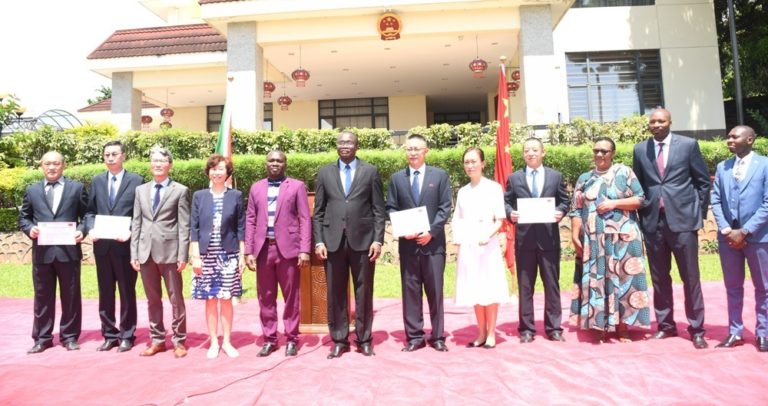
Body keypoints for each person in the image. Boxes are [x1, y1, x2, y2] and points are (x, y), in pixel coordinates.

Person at [632, 108, 710, 349]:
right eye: (652, 121)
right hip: (653, 223)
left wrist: (697, 214)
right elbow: (639, 186)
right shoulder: (640, 149)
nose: (656, 125)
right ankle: (666, 325)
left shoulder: (688, 145)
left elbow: (703, 183)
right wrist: (642, 216)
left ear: (670, 122)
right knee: (659, 278)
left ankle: (696, 328)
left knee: (690, 277)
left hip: (683, 223)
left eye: (661, 121)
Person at [313, 131, 386, 359]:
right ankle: (339, 339)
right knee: (335, 293)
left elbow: (378, 210)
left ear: (357, 146)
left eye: (349, 142)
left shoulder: (370, 171)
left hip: (363, 242)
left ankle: (364, 339)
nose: (345, 145)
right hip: (333, 242)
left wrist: (377, 239)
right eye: (341, 142)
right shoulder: (325, 172)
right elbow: (319, 211)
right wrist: (319, 240)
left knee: (364, 291)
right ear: (337, 146)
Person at [569, 137, 651, 342]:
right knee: (598, 281)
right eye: (596, 150)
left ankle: (623, 326)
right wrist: (574, 234)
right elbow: (576, 210)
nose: (599, 154)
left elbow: (640, 199)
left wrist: (614, 204)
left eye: (604, 151)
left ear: (612, 153)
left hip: (624, 239)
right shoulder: (585, 178)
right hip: (594, 240)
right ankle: (600, 325)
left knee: (623, 280)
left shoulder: (624, 172)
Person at [386, 135, 452, 352]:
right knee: (411, 291)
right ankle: (414, 337)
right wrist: (402, 230)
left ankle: (437, 336)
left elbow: (445, 207)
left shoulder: (440, 176)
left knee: (435, 292)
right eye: (409, 149)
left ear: (426, 151)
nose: (413, 153)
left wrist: (431, 232)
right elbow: (391, 208)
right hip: (408, 246)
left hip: (433, 246)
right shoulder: (397, 178)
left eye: (417, 149)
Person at [19, 151, 89, 354]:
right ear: (41, 165)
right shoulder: (32, 190)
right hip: (42, 254)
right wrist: (29, 228)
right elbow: (25, 217)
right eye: (48, 164)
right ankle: (42, 338)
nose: (52, 167)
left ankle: (69, 337)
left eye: (56, 163)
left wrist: (81, 230)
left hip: (68, 252)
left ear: (63, 165)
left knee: (71, 296)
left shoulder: (76, 189)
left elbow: (86, 216)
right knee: (42, 297)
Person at [245, 150, 311, 357]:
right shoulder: (256, 188)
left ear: (285, 164)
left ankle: (292, 338)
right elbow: (250, 220)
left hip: (289, 250)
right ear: (266, 163)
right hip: (264, 249)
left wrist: (304, 249)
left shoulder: (297, 186)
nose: (275, 163)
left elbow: (304, 219)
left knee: (291, 297)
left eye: (279, 161)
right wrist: (248, 250)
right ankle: (270, 339)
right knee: (265, 297)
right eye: (271, 160)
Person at [504, 138, 569, 343]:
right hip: (524, 241)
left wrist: (560, 212)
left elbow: (564, 201)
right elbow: (506, 202)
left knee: (552, 285)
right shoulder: (514, 178)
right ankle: (526, 329)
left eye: (534, 149)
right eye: (526, 150)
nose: (531, 153)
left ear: (543, 152)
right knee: (525, 286)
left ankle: (554, 328)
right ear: (523, 154)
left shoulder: (555, 176)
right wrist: (510, 213)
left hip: (549, 240)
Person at [710, 125, 768, 352]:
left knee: (763, 287)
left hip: (759, 237)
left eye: (735, 136)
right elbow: (715, 201)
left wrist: (745, 231)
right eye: (729, 136)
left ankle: (763, 333)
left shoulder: (764, 165)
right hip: (728, 240)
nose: (729, 139)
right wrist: (726, 229)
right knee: (732, 286)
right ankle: (735, 332)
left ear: (750, 139)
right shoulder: (723, 167)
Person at [130, 147, 191, 358]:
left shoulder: (180, 190)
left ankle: (179, 341)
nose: (157, 164)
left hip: (170, 253)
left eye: (162, 161)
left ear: (169, 165)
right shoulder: (141, 190)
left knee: (176, 299)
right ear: (150, 164)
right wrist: (134, 253)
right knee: (152, 300)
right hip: (145, 253)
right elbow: (136, 222)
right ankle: (157, 340)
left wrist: (183, 255)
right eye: (154, 160)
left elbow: (184, 226)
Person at [85, 141, 144, 353]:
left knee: (127, 292)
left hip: (125, 246)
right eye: (107, 154)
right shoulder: (97, 181)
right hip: (102, 246)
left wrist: (130, 230)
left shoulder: (136, 181)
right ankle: (109, 334)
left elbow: (140, 213)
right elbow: (90, 211)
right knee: (105, 292)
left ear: (123, 156)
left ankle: (127, 335)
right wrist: (90, 228)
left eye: (114, 154)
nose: (110, 158)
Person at [452, 147, 510, 349]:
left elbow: (500, 219)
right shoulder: (463, 192)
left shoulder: (493, 188)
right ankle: (481, 332)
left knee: (489, 288)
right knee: (475, 289)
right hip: (469, 246)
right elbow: (457, 219)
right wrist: (458, 239)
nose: (470, 166)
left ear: (483, 163)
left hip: (488, 245)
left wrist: (488, 235)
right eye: (466, 162)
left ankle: (492, 332)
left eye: (474, 161)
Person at [189, 154, 245, 359]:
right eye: (213, 169)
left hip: (228, 255)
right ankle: (213, 341)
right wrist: (195, 255)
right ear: (208, 172)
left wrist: (241, 254)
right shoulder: (199, 196)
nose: (217, 172)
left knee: (227, 298)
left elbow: (241, 227)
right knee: (210, 299)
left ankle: (227, 341)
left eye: (221, 168)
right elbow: (193, 227)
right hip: (205, 255)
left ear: (227, 172)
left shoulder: (236, 196)